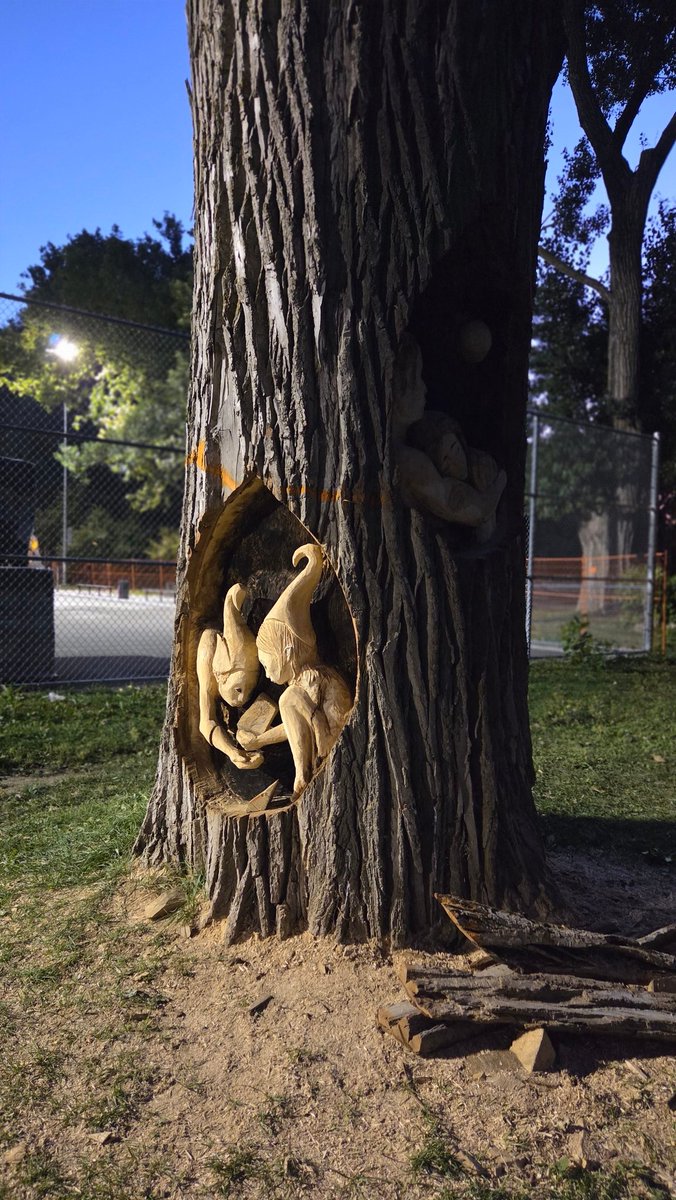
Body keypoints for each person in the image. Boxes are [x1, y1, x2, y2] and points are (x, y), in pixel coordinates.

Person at [236, 544, 352, 797]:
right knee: (290, 699)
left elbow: (298, 714)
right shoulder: (302, 682)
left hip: (331, 739)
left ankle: (303, 775)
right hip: (323, 737)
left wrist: (261, 739)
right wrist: (259, 741)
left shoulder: (315, 678)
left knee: (289, 698)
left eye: (268, 664)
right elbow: (293, 725)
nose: (266, 674)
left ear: (288, 653)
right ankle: (304, 774)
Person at [393, 334, 506, 540]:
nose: (424, 388)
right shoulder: (409, 462)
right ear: (399, 388)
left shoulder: (407, 452)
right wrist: (500, 482)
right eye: (417, 378)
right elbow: (472, 511)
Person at [196, 583, 263, 769]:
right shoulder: (209, 654)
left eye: (249, 690)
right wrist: (232, 752)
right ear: (221, 675)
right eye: (239, 689)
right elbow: (206, 721)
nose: (243, 698)